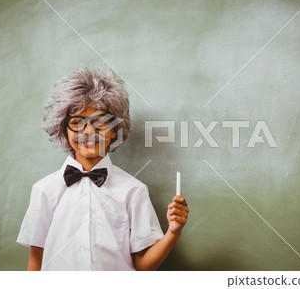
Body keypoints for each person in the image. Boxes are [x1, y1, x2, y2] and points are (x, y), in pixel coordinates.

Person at [16, 66, 189, 270]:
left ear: (115, 129)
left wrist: (173, 232)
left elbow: (142, 265)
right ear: (63, 128)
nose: (89, 131)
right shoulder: (44, 190)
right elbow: (36, 260)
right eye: (77, 122)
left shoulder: (134, 190)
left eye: (100, 122)